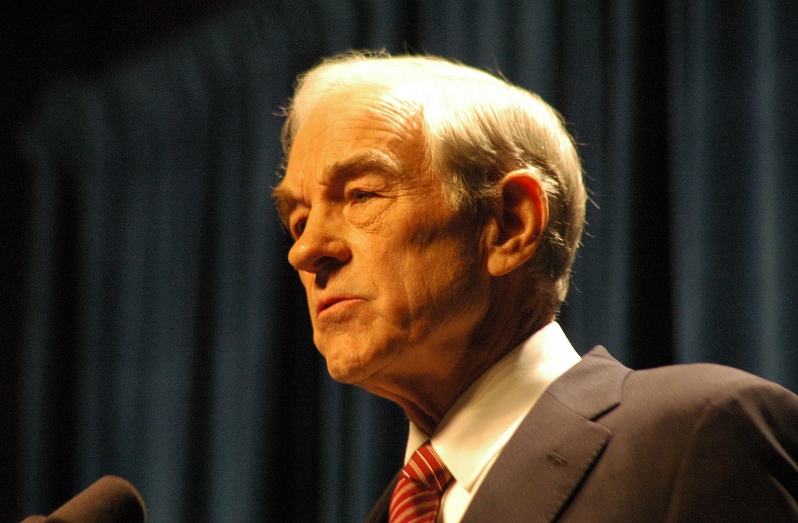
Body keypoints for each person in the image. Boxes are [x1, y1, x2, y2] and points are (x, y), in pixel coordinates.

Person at [271, 50, 798, 522]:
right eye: (298, 220)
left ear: (509, 225)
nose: (305, 250)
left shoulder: (696, 437)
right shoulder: (393, 512)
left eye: (361, 195)